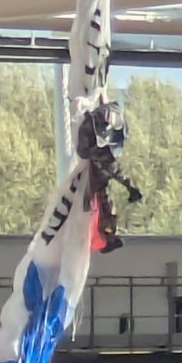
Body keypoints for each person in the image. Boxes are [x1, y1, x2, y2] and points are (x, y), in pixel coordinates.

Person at [76, 101, 142, 254]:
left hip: (95, 176)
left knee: (104, 197)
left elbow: (113, 167)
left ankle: (106, 233)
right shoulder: (89, 132)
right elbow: (86, 153)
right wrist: (130, 186)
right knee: (96, 198)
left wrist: (130, 187)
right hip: (85, 176)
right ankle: (102, 233)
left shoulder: (109, 126)